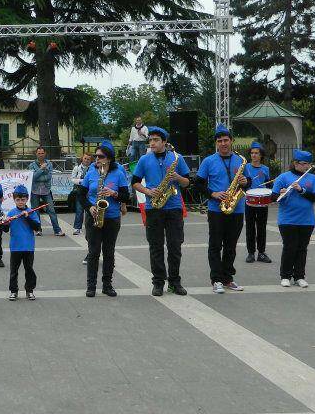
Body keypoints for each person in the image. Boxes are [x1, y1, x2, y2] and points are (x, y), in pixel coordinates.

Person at [131, 126, 191, 296]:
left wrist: (178, 178)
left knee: (175, 246)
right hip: (153, 207)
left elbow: (187, 182)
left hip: (174, 207)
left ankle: (175, 282)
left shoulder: (176, 158)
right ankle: (158, 282)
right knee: (155, 247)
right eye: (150, 140)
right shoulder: (144, 159)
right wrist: (148, 191)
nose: (152, 143)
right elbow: (135, 182)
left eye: (156, 140)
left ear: (164, 142)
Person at [196, 124, 249, 294]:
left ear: (231, 141)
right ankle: (216, 279)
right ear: (216, 143)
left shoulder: (241, 161)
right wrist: (213, 193)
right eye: (220, 141)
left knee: (231, 246)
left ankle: (228, 278)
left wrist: (246, 182)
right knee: (215, 245)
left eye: (226, 140)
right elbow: (198, 184)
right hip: (216, 209)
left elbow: (248, 185)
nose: (223, 143)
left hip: (237, 208)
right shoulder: (208, 161)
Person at [79, 140, 129, 297]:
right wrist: (89, 207)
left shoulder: (118, 173)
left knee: (109, 252)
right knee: (93, 252)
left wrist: (113, 193)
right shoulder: (91, 172)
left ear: (108, 158)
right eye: (96, 156)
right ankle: (91, 286)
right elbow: (80, 194)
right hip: (94, 216)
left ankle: (107, 285)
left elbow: (126, 195)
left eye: (100, 156)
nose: (97, 159)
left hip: (112, 217)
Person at [271, 150, 315, 288]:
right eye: (304, 164)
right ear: (295, 163)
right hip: (287, 219)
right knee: (289, 247)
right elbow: (273, 197)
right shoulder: (283, 177)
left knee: (302, 248)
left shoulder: (312, 179)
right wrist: (282, 193)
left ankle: (299, 276)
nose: (306, 167)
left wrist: (301, 190)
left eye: (308, 164)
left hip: (307, 220)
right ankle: (285, 276)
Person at [2, 184, 41, 300]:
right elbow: (5, 230)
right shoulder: (11, 213)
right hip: (15, 247)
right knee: (14, 271)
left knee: (29, 269)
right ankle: (13, 291)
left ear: (27, 199)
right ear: (14, 200)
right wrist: (5, 223)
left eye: (22, 200)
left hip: (28, 247)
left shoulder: (32, 212)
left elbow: (37, 227)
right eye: (18, 200)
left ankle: (29, 290)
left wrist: (27, 217)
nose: (20, 202)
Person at [244, 142, 272, 264]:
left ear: (261, 155)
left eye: (256, 153)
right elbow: (242, 184)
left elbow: (268, 184)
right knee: (250, 227)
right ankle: (251, 252)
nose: (254, 155)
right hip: (249, 201)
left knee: (261, 227)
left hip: (261, 202)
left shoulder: (265, 169)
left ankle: (261, 252)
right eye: (252, 153)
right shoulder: (245, 167)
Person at [30, 146, 64, 236]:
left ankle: (57, 230)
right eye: (39, 153)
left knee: (51, 210)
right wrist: (42, 169)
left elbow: (48, 177)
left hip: (46, 190)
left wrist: (39, 174)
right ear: (36, 154)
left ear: (45, 153)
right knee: (35, 211)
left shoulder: (49, 164)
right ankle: (38, 229)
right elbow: (33, 178)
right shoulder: (32, 165)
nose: (40, 155)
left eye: (42, 153)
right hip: (35, 190)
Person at [70, 154, 92, 235]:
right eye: (85, 158)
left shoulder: (92, 169)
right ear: (82, 159)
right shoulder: (77, 168)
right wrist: (81, 181)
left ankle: (90, 226)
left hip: (89, 191)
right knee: (79, 210)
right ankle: (77, 228)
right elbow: (72, 179)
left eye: (88, 159)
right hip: (79, 190)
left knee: (89, 210)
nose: (86, 160)